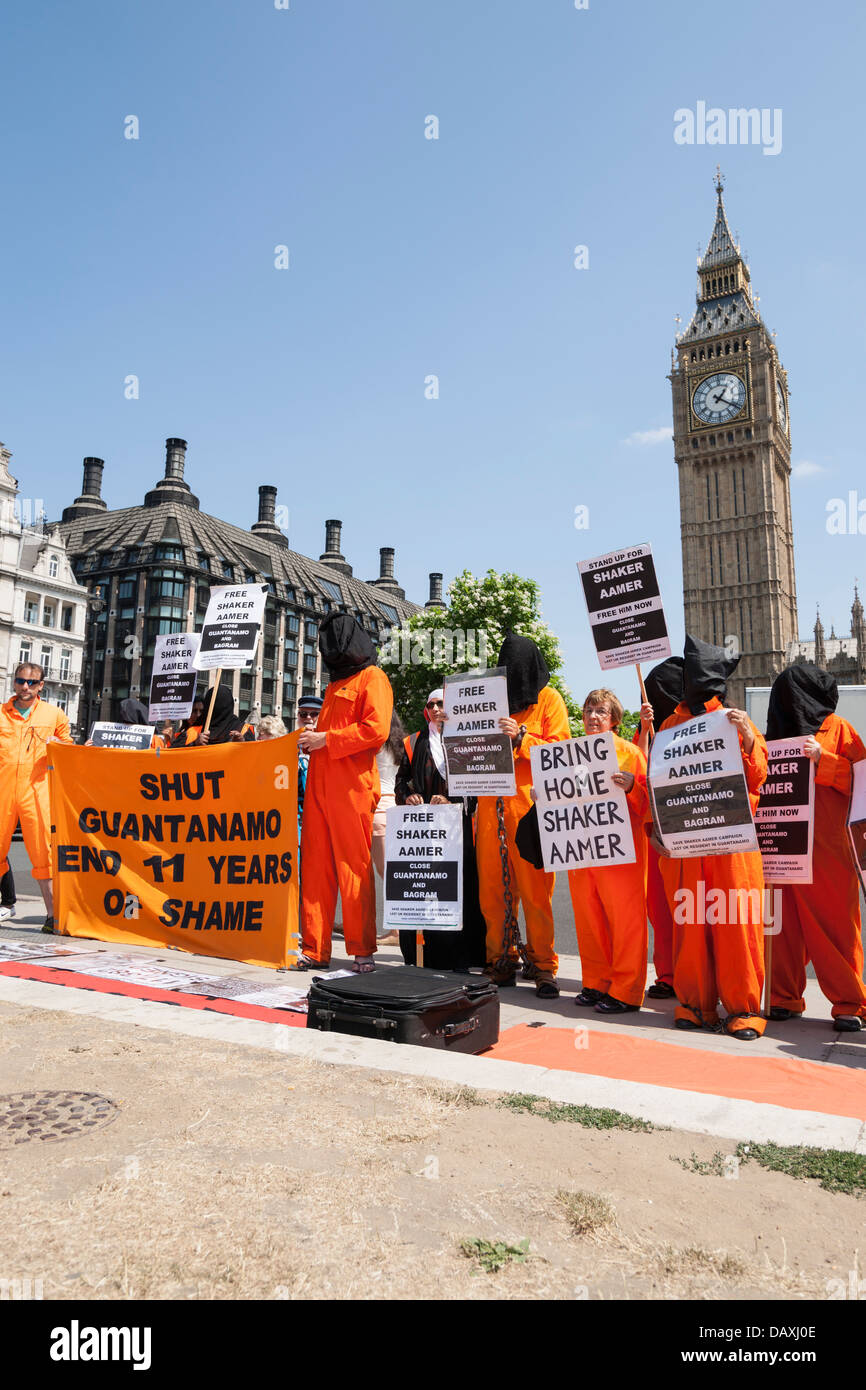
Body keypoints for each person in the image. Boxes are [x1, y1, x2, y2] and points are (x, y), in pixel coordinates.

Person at [651, 635, 768, 1040]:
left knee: (737, 927)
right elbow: (660, 786)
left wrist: (749, 739)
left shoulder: (735, 720)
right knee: (690, 927)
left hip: (732, 848)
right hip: (686, 845)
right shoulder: (668, 725)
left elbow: (758, 777)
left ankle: (744, 1011)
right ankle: (694, 1005)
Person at [765, 663, 866, 1033]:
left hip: (827, 850)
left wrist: (825, 761)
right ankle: (783, 997)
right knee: (780, 927)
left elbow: (861, 783)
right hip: (782, 845)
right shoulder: (774, 734)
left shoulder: (839, 730)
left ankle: (849, 1002)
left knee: (836, 928)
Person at [296, 613, 393, 972]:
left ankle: (362, 949)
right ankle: (314, 948)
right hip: (320, 785)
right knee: (316, 869)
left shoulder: (374, 678)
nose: (329, 649)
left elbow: (376, 730)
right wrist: (312, 742)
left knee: (353, 868)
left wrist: (326, 739)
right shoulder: (334, 685)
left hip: (353, 788)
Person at [475, 632, 570, 998]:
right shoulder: (487, 698)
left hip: (531, 810)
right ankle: (500, 959)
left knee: (536, 894)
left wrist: (522, 738)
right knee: (493, 892)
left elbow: (561, 747)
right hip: (489, 807)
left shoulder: (550, 700)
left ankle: (543, 965)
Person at [394, 687, 487, 970]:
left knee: (458, 890)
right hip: (424, 829)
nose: (436, 709)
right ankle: (421, 957)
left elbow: (475, 785)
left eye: (441, 704)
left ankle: (463, 958)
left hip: (457, 827)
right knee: (424, 888)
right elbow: (401, 781)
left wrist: (450, 800)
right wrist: (407, 796)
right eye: (431, 704)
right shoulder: (413, 742)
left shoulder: (465, 740)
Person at [569, 689, 649, 1013]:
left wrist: (632, 786)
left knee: (625, 921)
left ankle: (626, 990)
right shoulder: (571, 754)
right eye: (588, 709)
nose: (592, 716)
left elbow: (648, 805)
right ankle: (595, 982)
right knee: (589, 919)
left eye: (600, 711)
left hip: (621, 853)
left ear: (614, 719)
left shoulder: (630, 752)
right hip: (582, 850)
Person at [0, 662, 73, 932]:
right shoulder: (1, 714)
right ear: (14, 682)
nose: (25, 687)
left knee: (44, 855)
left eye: (31, 682)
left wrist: (62, 746)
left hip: (37, 791)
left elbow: (70, 750)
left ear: (42, 685)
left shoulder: (53, 715)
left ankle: (53, 916)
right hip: (2, 790)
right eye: (20, 681)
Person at [634, 656, 684, 999]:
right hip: (655, 831)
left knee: (690, 907)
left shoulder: (704, 723)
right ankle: (667, 973)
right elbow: (639, 765)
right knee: (661, 910)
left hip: (692, 828)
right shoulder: (646, 728)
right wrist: (645, 729)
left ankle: (695, 971)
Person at [372, 709, 407, 947]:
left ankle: (395, 930)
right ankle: (400, 928)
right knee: (395, 872)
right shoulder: (401, 744)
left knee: (387, 873)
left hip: (377, 808)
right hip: (397, 807)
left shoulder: (375, 745)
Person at [187, 686, 256, 746]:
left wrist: (243, 743)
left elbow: (254, 755)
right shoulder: (194, 732)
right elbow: (178, 753)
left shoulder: (243, 730)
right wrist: (194, 744)